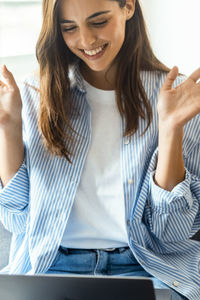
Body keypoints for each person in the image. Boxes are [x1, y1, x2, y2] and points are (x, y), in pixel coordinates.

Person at [0, 0, 200, 299]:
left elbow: (171, 233)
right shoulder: (34, 96)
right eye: (69, 28)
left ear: (128, 7)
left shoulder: (177, 98)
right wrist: (9, 127)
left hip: (147, 269)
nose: (87, 41)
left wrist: (170, 128)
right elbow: (17, 221)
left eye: (98, 22)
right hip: (51, 268)